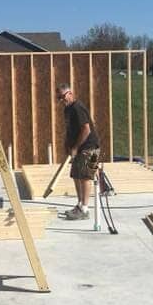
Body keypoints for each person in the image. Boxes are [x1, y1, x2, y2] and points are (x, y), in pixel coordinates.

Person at [56, 82, 100, 220]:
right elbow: (70, 130)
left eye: (63, 97)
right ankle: (80, 205)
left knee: (86, 176)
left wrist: (75, 147)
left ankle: (85, 209)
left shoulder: (77, 108)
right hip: (78, 148)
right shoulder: (67, 110)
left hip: (90, 148)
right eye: (59, 98)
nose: (62, 100)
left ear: (70, 93)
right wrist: (67, 145)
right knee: (76, 175)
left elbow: (86, 130)